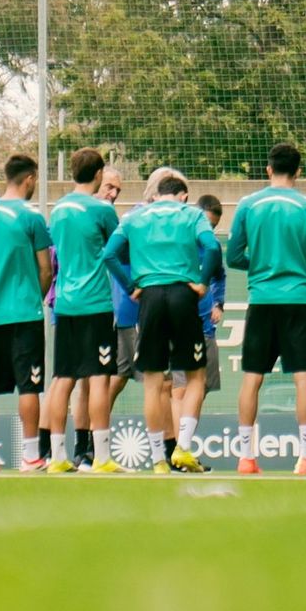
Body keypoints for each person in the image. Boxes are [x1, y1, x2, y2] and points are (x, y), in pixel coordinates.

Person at [226, 144, 306, 477]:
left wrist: (258, 264)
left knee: (251, 379)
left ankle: (246, 457)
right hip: (298, 302)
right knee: (304, 378)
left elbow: (233, 257)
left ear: (268, 169)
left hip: (261, 301)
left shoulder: (248, 205)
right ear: (298, 172)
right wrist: (300, 265)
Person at [104, 173, 219, 473]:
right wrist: (203, 282)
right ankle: (182, 447)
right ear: (182, 195)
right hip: (183, 294)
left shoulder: (134, 217)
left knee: (153, 383)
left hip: (150, 299)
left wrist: (130, 288)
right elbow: (214, 248)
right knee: (195, 377)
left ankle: (158, 459)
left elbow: (109, 255)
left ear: (156, 194)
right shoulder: (192, 214)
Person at [0, 153, 53, 474]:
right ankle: (30, 456)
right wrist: (36, 296)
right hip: (25, 314)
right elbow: (46, 270)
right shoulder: (32, 218)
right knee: (30, 386)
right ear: (30, 178)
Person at [44, 147, 121, 474]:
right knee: (100, 379)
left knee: (63, 378)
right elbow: (115, 250)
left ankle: (58, 457)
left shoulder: (58, 210)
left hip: (65, 303)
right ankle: (101, 457)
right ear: (99, 174)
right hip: (95, 303)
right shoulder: (103, 210)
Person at [171, 194, 224, 465]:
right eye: (207, 223)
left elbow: (219, 276)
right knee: (179, 388)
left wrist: (220, 303)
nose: (209, 230)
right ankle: (177, 450)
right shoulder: (181, 239)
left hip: (206, 327)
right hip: (182, 322)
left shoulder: (212, 245)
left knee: (198, 388)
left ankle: (182, 448)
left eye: (214, 226)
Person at [103, 168, 140, 426]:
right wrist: (130, 290)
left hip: (115, 310)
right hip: (124, 310)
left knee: (118, 374)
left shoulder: (116, 219)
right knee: (161, 379)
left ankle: (93, 443)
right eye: (109, 187)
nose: (113, 194)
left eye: (118, 190)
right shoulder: (133, 219)